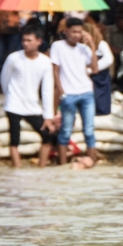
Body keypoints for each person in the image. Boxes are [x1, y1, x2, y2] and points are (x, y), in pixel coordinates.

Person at [0, 24, 56, 167]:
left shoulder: (45, 62)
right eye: (24, 40)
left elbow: (47, 89)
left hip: (32, 105)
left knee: (47, 136)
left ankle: (41, 167)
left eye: (29, 40)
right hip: (14, 104)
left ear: (39, 41)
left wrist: (48, 116)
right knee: (14, 138)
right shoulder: (13, 58)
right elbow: (4, 79)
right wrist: (10, 96)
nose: (26, 43)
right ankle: (17, 168)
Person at [50, 17, 99, 165]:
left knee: (89, 131)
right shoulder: (57, 46)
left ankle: (92, 163)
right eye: (73, 32)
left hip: (86, 93)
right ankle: (63, 166)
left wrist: (91, 44)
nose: (76, 35)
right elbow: (55, 71)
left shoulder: (84, 48)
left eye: (79, 32)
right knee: (65, 131)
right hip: (68, 95)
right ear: (66, 32)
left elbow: (95, 69)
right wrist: (61, 92)